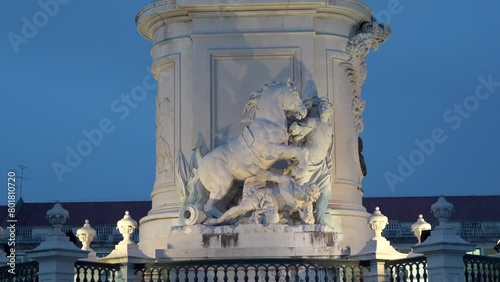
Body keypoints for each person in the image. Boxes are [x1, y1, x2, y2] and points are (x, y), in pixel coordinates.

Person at [288, 97, 334, 224]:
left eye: (327, 107)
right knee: (298, 191)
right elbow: (300, 132)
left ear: (331, 111)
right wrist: (296, 129)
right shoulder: (313, 122)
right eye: (322, 106)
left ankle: (319, 220)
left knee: (325, 194)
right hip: (308, 162)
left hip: (323, 166)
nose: (324, 108)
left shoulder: (329, 129)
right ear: (318, 110)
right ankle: (293, 217)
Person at [205, 175, 320, 225]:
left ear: (306, 197)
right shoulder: (288, 182)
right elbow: (268, 176)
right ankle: (219, 220)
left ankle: (222, 215)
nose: (301, 188)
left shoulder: (306, 204)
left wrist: (304, 218)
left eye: (304, 190)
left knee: (272, 220)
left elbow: (310, 221)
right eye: (304, 186)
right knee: (243, 208)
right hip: (264, 196)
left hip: (272, 209)